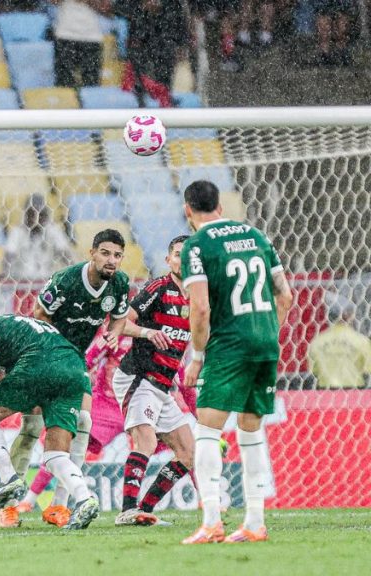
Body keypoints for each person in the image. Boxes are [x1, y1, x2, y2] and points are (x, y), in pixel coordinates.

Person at [179, 179, 294, 544]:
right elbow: (286, 297)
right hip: (265, 341)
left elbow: (199, 308)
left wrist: (197, 357)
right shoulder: (257, 236)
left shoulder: (197, 245)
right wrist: (263, 332)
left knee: (207, 430)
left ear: (187, 210)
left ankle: (212, 520)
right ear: (220, 206)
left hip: (229, 345)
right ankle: (255, 522)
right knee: (251, 430)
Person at [0, 301, 100, 531]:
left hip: (40, 367)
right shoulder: (20, 327)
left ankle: (10, 481)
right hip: (74, 368)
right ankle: (84, 499)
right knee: (55, 454)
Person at [27, 228, 130, 527]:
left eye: (118, 255)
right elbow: (38, 314)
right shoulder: (66, 281)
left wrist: (114, 334)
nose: (112, 260)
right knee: (31, 425)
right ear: (92, 253)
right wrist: (55, 351)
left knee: (82, 423)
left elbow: (120, 316)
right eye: (106, 253)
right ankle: (15, 500)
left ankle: (60, 506)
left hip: (76, 363)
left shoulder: (120, 284)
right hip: (46, 355)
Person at [111, 235, 195, 526]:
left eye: (188, 255)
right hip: (138, 375)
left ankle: (144, 510)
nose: (182, 260)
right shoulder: (158, 288)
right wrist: (147, 333)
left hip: (162, 385)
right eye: (176, 254)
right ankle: (127, 509)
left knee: (187, 452)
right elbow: (120, 323)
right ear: (168, 260)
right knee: (145, 439)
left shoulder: (199, 296)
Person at [116, 0, 189, 107]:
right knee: (140, 82)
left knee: (164, 81)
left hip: (165, 40)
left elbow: (178, 12)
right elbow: (119, 8)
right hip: (140, 41)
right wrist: (141, 6)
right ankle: (143, 108)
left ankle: (165, 106)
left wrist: (181, 43)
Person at [4, 194, 76, 282]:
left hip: (47, 281)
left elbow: (65, 254)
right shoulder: (17, 232)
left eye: (40, 214)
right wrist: (6, 274)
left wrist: (74, 274)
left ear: (46, 215)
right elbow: (9, 255)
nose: (36, 218)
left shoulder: (53, 230)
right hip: (21, 282)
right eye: (32, 214)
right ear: (26, 214)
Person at [308, 292, 371, 389]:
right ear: (350, 315)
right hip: (355, 394)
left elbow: (313, 370)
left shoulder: (317, 342)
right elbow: (367, 370)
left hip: (325, 393)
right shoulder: (361, 341)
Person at [50, 0, 110, 89]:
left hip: (91, 37)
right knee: (64, 84)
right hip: (65, 35)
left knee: (91, 85)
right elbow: (53, 2)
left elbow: (105, 8)